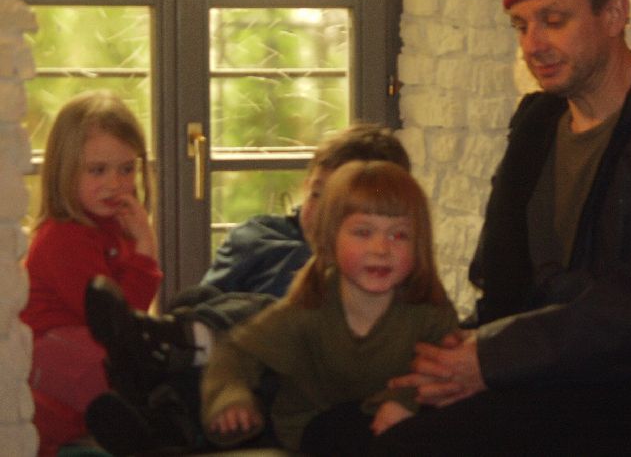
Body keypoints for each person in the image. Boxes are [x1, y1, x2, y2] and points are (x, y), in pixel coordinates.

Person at [369, 0, 631, 455]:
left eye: (554, 20)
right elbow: (504, 285)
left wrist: (494, 357)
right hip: (542, 369)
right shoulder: (537, 129)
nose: (533, 45)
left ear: (614, 14)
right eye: (521, 26)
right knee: (341, 428)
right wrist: (449, 365)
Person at [83, 124, 413, 455]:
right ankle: (159, 411)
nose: (321, 212)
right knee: (194, 300)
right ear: (305, 184)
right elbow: (209, 301)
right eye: (317, 194)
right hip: (219, 364)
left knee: (269, 316)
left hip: (286, 383)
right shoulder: (260, 237)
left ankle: (159, 378)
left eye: (340, 206)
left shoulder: (374, 277)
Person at [201, 160, 459, 455]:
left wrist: (404, 400)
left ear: (419, 244)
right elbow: (236, 352)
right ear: (330, 238)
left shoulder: (429, 310)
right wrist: (231, 398)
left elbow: (448, 372)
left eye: (398, 235)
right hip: (317, 429)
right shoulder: (308, 309)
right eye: (363, 232)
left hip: (397, 425)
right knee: (348, 429)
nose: (381, 249)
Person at [20, 90, 161, 457]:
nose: (115, 183)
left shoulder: (112, 226)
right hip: (48, 358)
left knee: (140, 354)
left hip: (83, 351)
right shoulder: (64, 238)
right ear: (65, 171)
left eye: (126, 169)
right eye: (98, 170)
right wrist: (145, 252)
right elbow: (113, 321)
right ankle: (136, 422)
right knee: (116, 361)